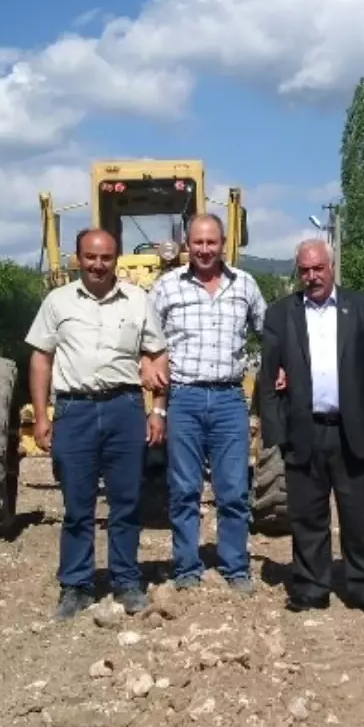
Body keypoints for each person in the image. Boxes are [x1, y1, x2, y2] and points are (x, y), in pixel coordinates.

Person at [26, 228, 169, 621]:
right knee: (78, 505)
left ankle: (125, 581)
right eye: (90, 257)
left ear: (116, 259)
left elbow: (157, 355)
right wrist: (42, 416)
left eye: (106, 257)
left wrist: (157, 410)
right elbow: (41, 359)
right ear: (78, 258)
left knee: (125, 502)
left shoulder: (138, 301)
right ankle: (76, 585)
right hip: (75, 411)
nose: (98, 264)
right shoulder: (58, 302)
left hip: (124, 408)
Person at [257, 238, 364, 614]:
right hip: (304, 429)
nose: (312, 276)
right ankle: (310, 586)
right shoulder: (280, 314)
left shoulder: (363, 308)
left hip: (353, 429)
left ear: (331, 267)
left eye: (318, 268)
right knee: (307, 515)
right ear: (297, 272)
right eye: (304, 270)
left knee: (360, 513)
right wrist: (275, 434)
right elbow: (268, 379)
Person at [150, 213, 267, 594]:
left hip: (230, 399)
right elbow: (149, 341)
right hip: (183, 398)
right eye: (197, 243)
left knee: (233, 490)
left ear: (222, 244)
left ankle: (235, 567)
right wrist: (156, 398)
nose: (204, 250)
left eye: (211, 242)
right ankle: (186, 568)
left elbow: (269, 332)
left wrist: (280, 369)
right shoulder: (167, 287)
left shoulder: (245, 285)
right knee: (184, 489)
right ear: (187, 245)